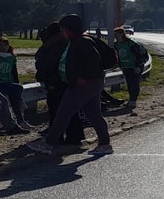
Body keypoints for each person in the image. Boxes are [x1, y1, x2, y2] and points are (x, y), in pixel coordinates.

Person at [26, 14, 113, 155]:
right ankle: (104, 144)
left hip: (84, 84)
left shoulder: (81, 42)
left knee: (63, 113)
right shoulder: (80, 40)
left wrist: (83, 76)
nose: (63, 32)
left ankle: (48, 143)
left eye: (64, 29)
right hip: (92, 83)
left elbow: (94, 59)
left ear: (70, 29)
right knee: (93, 114)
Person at [34, 23, 84, 146]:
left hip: (56, 82)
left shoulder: (52, 46)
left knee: (56, 111)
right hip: (69, 81)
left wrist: (47, 79)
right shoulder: (68, 43)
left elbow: (46, 65)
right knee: (71, 110)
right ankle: (75, 136)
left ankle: (57, 137)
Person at [111, 27, 148, 110]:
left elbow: (139, 55)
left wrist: (137, 66)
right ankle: (131, 100)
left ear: (121, 34)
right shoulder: (116, 44)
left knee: (134, 83)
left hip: (135, 66)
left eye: (116, 34)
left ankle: (133, 101)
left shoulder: (131, 43)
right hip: (126, 67)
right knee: (129, 83)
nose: (115, 36)